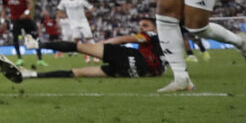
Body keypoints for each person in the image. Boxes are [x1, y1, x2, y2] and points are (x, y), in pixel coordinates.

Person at [22, 19, 166, 80]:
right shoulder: (165, 47)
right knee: (77, 73)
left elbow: (125, 39)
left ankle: (37, 45)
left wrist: (104, 43)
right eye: (141, 26)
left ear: (154, 28)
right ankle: (32, 75)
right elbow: (158, 71)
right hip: (134, 72)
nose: (142, 29)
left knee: (77, 47)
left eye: (145, 25)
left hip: (127, 57)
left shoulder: (152, 35)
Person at [0, 0, 45, 67]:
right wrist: (2, 21)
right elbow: (3, 9)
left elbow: (30, 3)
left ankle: (40, 59)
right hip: (15, 20)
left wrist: (27, 13)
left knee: (35, 38)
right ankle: (19, 59)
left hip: (27, 19)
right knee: (15, 39)